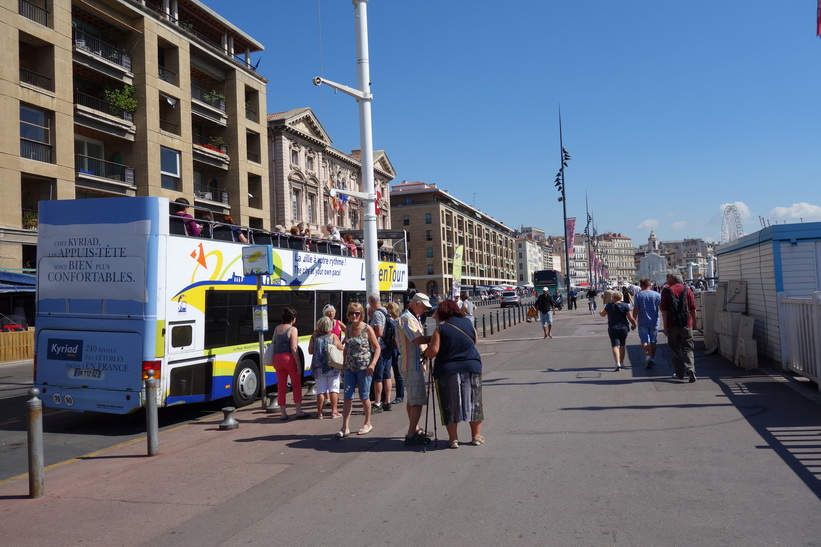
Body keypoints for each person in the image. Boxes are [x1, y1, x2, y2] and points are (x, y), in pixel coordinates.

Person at [423, 299, 484, 449]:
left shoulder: (441, 329)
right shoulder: (468, 323)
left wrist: (425, 353)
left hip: (448, 370)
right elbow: (474, 341)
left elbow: (433, 351)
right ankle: (476, 436)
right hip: (472, 366)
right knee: (474, 403)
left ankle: (453, 439)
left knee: (450, 403)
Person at [336, 302, 380, 438]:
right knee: (347, 397)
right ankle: (345, 427)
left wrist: (372, 364)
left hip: (364, 368)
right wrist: (343, 367)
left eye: (357, 313)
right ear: (348, 315)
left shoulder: (367, 329)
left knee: (364, 396)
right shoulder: (348, 328)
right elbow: (346, 350)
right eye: (351, 313)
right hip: (350, 367)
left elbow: (377, 347)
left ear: (361, 314)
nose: (354, 315)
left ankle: (367, 423)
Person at [397, 293, 433, 446]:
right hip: (411, 364)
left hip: (412, 363)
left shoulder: (412, 317)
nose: (425, 309)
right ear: (416, 303)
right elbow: (416, 339)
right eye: (424, 306)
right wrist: (436, 338)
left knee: (413, 399)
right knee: (417, 400)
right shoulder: (407, 318)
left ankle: (415, 428)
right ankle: (411, 434)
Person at [660, 270, 698, 382]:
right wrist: (694, 321)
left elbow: (664, 310)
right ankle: (690, 368)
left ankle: (679, 373)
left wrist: (665, 327)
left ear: (672, 278)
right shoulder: (687, 289)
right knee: (688, 347)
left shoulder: (666, 291)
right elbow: (693, 308)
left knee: (675, 348)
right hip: (686, 323)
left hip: (672, 324)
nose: (666, 279)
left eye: (667, 277)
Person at [270, 307, 308, 420]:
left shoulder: (277, 328)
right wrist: (298, 364)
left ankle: (283, 413)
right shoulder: (293, 329)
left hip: (277, 358)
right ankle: (298, 410)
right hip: (288, 358)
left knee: (281, 386)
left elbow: (273, 343)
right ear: (293, 319)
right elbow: (294, 347)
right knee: (296, 384)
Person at [308, 316, 344, 419]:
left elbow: (310, 351)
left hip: (318, 367)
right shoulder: (333, 336)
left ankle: (319, 413)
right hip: (332, 366)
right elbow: (341, 348)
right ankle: (334, 412)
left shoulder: (314, 337)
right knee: (333, 389)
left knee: (321, 390)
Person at [367, 294, 393, 413]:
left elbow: (379, 332)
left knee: (378, 376)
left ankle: (378, 403)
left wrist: (371, 339)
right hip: (388, 347)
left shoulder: (377, 313)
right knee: (387, 375)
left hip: (380, 348)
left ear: (371, 302)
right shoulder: (385, 311)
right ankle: (387, 401)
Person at [599, 291, 637, 372]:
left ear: (614, 297)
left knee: (615, 346)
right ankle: (622, 363)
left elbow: (602, 314)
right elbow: (631, 318)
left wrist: (601, 309)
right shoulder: (625, 305)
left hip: (613, 328)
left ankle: (617, 363)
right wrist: (634, 324)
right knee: (622, 345)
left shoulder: (609, 306)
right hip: (624, 328)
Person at [632, 277, 662, 369]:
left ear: (641, 285)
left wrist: (633, 321)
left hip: (643, 321)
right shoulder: (657, 294)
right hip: (654, 321)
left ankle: (647, 357)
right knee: (653, 341)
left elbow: (636, 309)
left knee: (644, 340)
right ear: (650, 285)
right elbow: (661, 308)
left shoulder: (638, 295)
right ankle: (652, 359)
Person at [385, 301, 404, 405]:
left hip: (396, 348)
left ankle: (400, 395)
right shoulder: (393, 321)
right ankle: (397, 396)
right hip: (392, 348)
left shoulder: (397, 321)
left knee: (398, 373)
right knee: (392, 373)